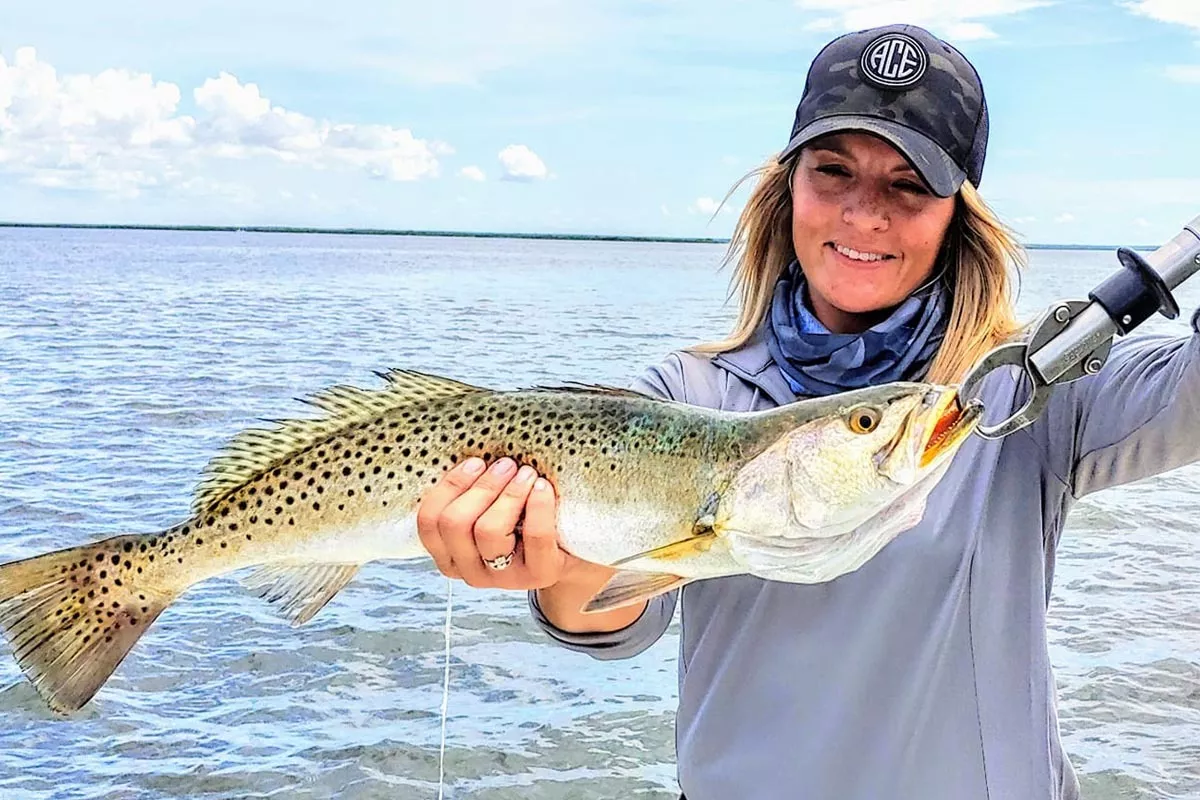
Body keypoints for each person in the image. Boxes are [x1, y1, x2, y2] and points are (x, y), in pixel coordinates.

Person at [415, 23, 1200, 800]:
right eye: (833, 172)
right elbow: (614, 620)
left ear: (957, 213)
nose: (864, 215)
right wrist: (542, 560)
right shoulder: (688, 395)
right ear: (787, 185)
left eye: (908, 184)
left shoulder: (1026, 391)